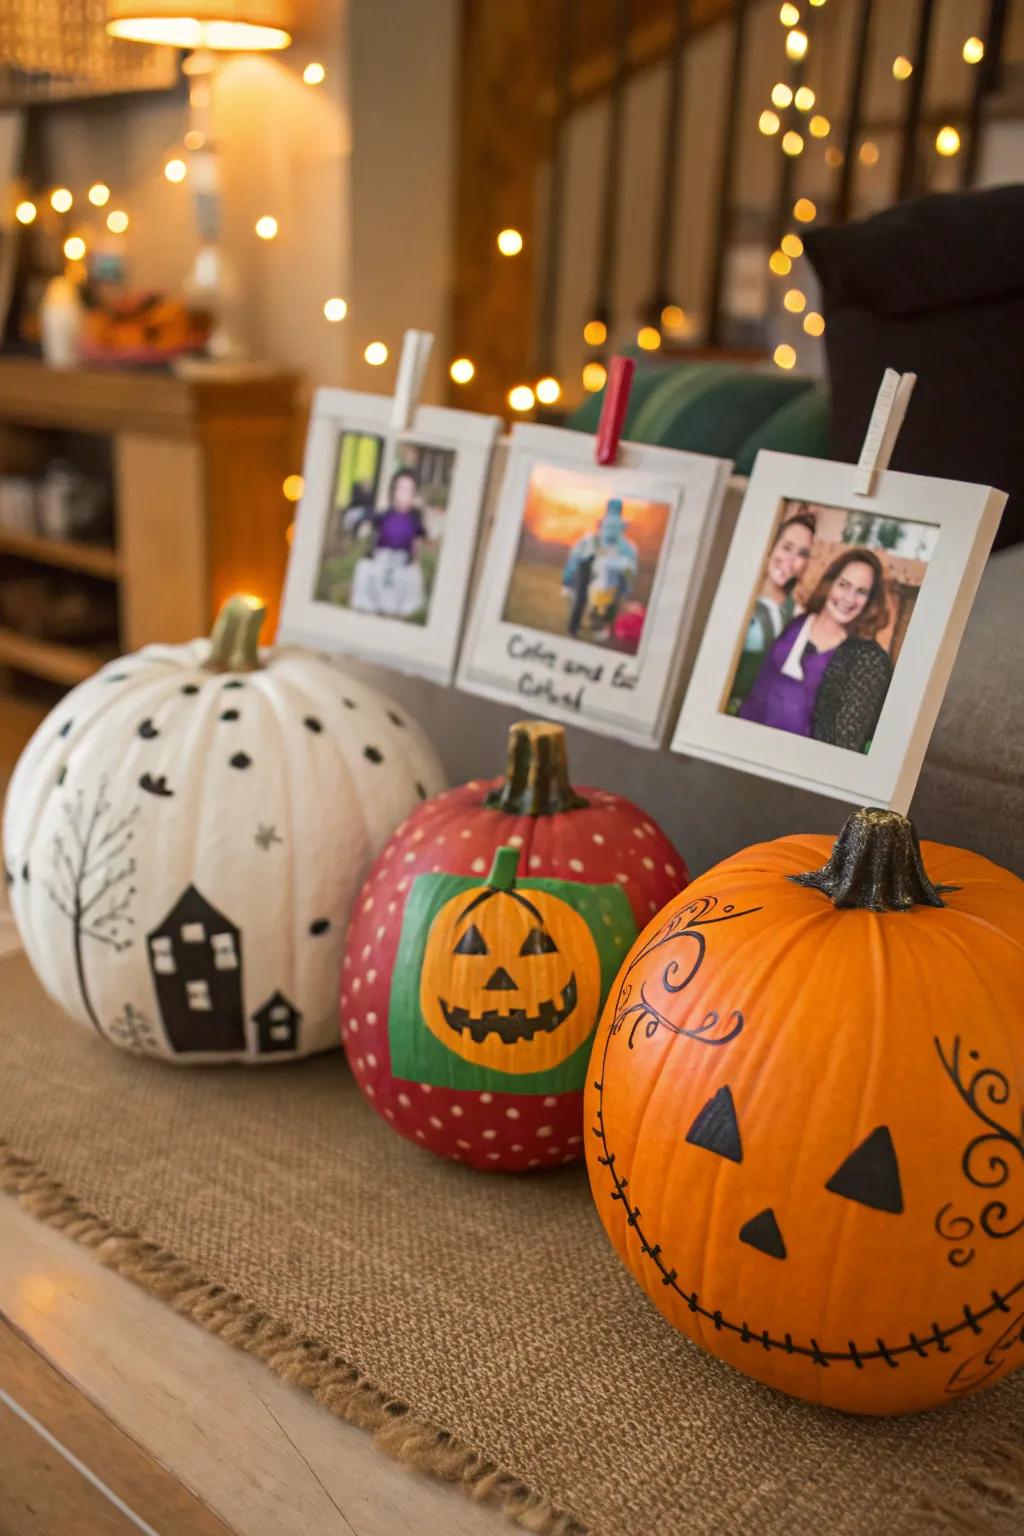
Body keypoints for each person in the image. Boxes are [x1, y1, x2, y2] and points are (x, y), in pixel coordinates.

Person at [740, 548, 891, 750]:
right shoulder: (796, 623)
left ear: (869, 601)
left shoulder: (859, 658)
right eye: (844, 585)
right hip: (746, 741)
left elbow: (843, 739)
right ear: (830, 584)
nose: (849, 598)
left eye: (861, 592)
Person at [727, 507, 815, 712]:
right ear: (770, 546)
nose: (792, 561)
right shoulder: (736, 589)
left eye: (802, 553)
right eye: (787, 547)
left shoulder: (797, 615)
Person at [350, 467, 427, 619]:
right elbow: (366, 521)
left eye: (409, 491)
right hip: (381, 561)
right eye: (401, 489)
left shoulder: (415, 519)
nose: (404, 495)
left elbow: (418, 544)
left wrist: (414, 558)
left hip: (402, 564)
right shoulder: (384, 515)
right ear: (393, 492)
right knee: (363, 569)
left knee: (412, 577)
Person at [562, 499, 639, 640]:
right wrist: (567, 580)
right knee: (583, 597)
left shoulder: (626, 547)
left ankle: (597, 627)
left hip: (609, 577)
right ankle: (576, 628)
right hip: (589, 569)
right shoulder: (590, 540)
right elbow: (575, 558)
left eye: (615, 526)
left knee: (608, 599)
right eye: (608, 526)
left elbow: (630, 569)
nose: (611, 529)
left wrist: (626, 587)